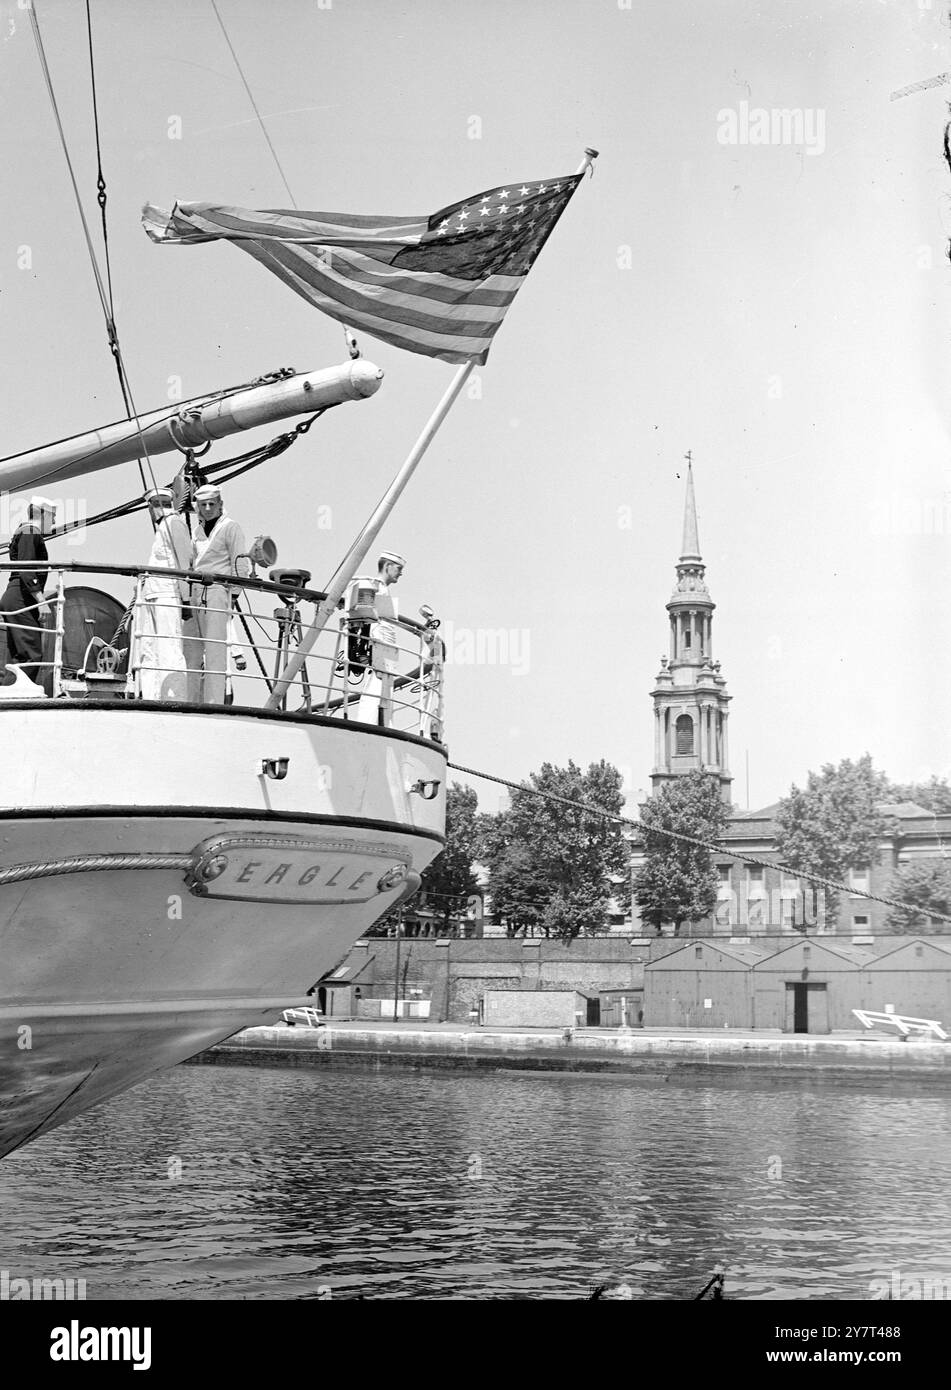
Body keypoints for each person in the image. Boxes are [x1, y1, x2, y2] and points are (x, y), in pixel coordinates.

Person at [189, 483, 251, 704]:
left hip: (217, 590)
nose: (207, 508)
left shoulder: (230, 528)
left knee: (215, 650)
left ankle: (213, 701)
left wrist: (232, 597)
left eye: (211, 504)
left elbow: (240, 564)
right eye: (203, 504)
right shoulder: (197, 532)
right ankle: (193, 699)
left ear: (220, 504)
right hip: (196, 590)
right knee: (193, 649)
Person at [136, 488, 193, 701]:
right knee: (149, 648)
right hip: (152, 593)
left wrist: (185, 600)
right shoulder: (163, 527)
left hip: (168, 594)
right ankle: (151, 697)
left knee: (169, 646)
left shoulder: (175, 524)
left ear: (154, 506)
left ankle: (175, 698)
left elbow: (183, 563)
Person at [0, 496, 56, 690]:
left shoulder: (26, 532)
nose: (55, 522)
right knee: (30, 653)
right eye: (53, 516)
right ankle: (19, 694)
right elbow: (26, 569)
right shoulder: (30, 532)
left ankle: (9, 693)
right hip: (21, 597)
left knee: (19, 654)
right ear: (42, 513)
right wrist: (41, 601)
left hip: (17, 596)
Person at [353, 550, 404, 726]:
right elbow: (363, 615)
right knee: (374, 687)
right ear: (388, 566)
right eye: (398, 568)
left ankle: (384, 724)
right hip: (377, 647)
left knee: (385, 689)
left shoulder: (383, 589)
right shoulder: (372, 585)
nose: (401, 572)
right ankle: (367, 724)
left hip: (387, 649)